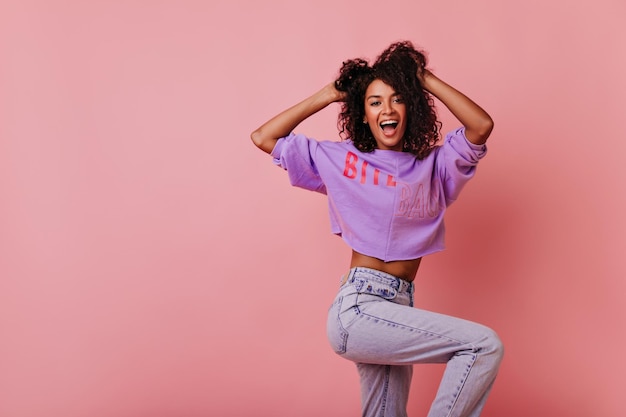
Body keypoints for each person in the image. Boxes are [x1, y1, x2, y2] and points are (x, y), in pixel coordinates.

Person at [250, 41, 503, 417]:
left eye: (397, 99)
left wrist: (423, 79)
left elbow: (481, 126)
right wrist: (329, 94)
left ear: (410, 108)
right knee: (483, 345)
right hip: (359, 306)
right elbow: (263, 137)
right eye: (374, 102)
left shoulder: (434, 167)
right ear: (363, 115)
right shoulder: (342, 159)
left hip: (398, 306)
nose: (386, 109)